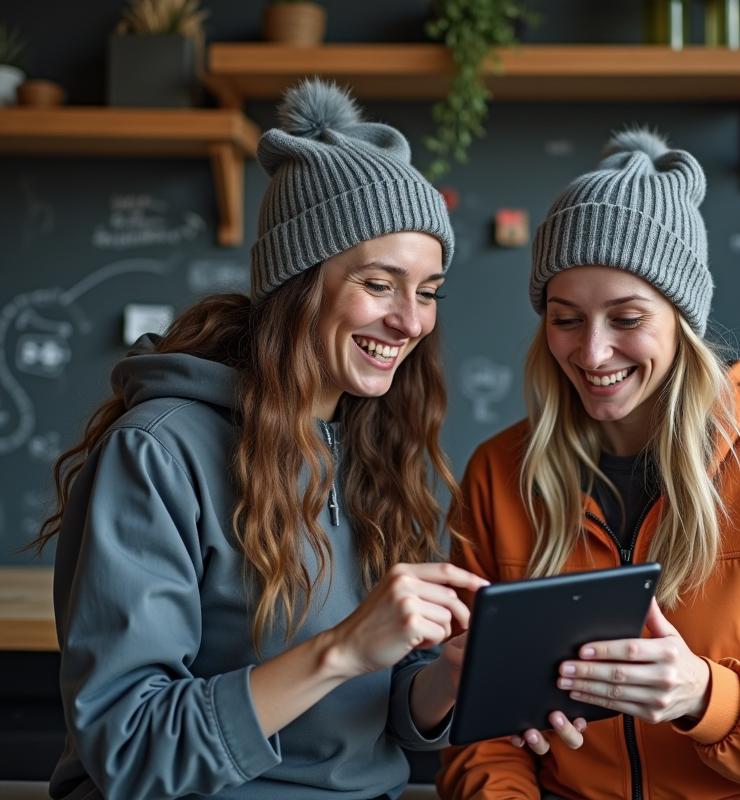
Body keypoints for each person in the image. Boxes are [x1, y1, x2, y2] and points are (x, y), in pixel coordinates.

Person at [32, 79, 487, 800]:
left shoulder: (370, 447)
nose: (410, 321)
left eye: (427, 291)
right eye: (379, 285)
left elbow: (381, 705)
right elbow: (130, 745)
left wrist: (448, 678)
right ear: (298, 284)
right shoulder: (157, 452)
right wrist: (340, 651)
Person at [437, 130, 740, 800]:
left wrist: (705, 695)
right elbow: (480, 733)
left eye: (626, 319)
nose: (592, 353)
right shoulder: (496, 475)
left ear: (683, 320)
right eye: (566, 319)